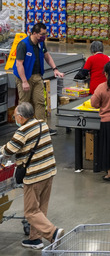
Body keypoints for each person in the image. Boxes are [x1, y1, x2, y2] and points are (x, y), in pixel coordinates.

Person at [0, 102, 63, 249]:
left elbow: (8, 150)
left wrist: (2, 149)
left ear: (21, 117)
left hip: (35, 175)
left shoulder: (22, 131)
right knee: (41, 208)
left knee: (30, 212)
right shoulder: (42, 124)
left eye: (15, 116)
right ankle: (35, 239)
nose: (15, 118)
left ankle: (53, 233)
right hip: (49, 171)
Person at [14, 22, 64, 134]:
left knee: (40, 102)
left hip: (37, 76)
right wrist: (24, 81)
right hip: (24, 78)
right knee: (24, 104)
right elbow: (19, 64)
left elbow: (47, 56)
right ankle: (23, 129)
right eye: (42, 34)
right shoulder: (23, 45)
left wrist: (55, 69)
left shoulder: (41, 43)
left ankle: (42, 128)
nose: (44, 36)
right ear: (35, 33)